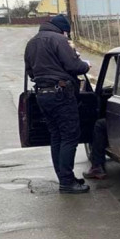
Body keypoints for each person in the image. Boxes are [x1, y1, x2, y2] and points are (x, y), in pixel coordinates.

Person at [24, 15, 92, 194]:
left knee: (56, 136)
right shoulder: (59, 40)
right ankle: (67, 182)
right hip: (61, 94)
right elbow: (74, 66)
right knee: (70, 136)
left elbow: (31, 72)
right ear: (63, 30)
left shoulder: (31, 43)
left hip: (42, 94)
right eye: (67, 33)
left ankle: (64, 178)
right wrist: (86, 65)